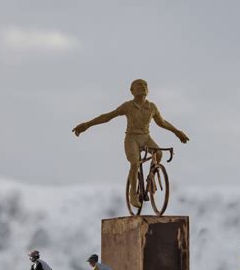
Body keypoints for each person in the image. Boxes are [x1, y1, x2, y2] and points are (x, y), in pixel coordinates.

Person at [72, 79, 189, 208]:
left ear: (148, 90)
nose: (142, 87)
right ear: (132, 91)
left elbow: (162, 122)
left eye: (145, 85)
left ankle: (150, 179)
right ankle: (133, 194)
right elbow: (108, 116)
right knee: (135, 163)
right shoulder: (128, 106)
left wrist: (177, 132)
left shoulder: (151, 107)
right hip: (132, 138)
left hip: (146, 137)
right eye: (138, 85)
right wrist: (87, 125)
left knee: (159, 154)